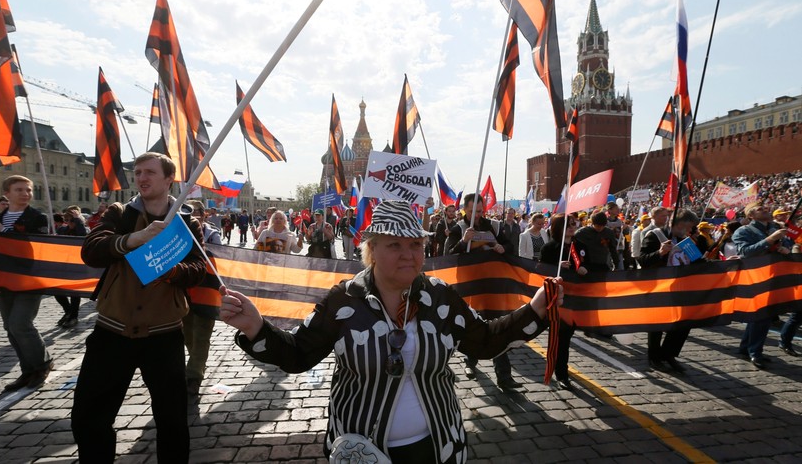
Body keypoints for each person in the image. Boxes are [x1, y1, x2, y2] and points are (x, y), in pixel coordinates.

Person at [220, 200, 561, 462]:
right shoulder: (344, 301)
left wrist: (536, 308)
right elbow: (297, 355)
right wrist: (255, 327)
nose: (408, 254)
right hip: (362, 449)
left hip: (438, 446)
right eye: (394, 245)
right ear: (372, 251)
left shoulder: (440, 296)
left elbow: (485, 341)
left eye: (415, 244)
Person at [71, 152, 206, 462]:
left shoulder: (186, 222)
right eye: (138, 172)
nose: (141, 178)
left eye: (149, 172)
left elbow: (199, 270)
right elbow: (91, 251)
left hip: (165, 335)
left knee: (172, 420)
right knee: (89, 417)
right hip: (112, 332)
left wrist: (169, 271)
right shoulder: (120, 213)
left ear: (169, 179)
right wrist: (135, 239)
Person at [444, 194, 521, 389]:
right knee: (473, 326)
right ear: (465, 210)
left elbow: (510, 246)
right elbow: (447, 256)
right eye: (472, 212)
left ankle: (504, 376)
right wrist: (463, 242)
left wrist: (503, 248)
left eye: (479, 211)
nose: (476, 215)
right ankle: (470, 361)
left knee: (499, 328)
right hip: (470, 288)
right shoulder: (458, 228)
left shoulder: (493, 226)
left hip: (493, 287)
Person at [0, 175, 53, 391]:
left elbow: (35, 248)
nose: (26, 194)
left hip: (29, 279)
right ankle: (28, 371)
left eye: (28, 190)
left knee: (20, 323)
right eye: (19, 190)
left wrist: (4, 232)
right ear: (7, 193)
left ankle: (42, 364)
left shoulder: (37, 217)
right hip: (4, 281)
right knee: (10, 327)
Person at [638, 209, 704, 373]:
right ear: (679, 223)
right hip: (659, 286)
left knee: (683, 322)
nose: (690, 231)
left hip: (680, 288)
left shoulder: (686, 241)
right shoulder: (655, 235)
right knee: (657, 323)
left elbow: (699, 262)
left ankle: (668, 354)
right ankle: (654, 356)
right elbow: (642, 260)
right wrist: (660, 252)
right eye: (689, 227)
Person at [732, 203, 793, 369]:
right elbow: (745, 251)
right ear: (750, 215)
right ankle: (755, 352)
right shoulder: (743, 231)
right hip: (755, 276)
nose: (765, 209)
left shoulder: (775, 228)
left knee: (761, 315)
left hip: (774, 275)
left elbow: (787, 244)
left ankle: (746, 348)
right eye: (759, 209)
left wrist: (783, 247)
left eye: (765, 207)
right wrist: (770, 240)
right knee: (762, 315)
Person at [539, 214, 587, 390]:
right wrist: (557, 266)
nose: (572, 227)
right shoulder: (550, 248)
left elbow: (591, 266)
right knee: (563, 338)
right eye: (568, 225)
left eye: (574, 224)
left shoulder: (580, 246)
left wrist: (584, 269)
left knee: (567, 336)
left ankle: (560, 369)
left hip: (575, 298)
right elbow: (542, 271)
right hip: (557, 299)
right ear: (559, 227)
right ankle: (562, 374)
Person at [183, 200, 221, 399]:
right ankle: (195, 364)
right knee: (187, 333)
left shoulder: (212, 234)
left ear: (204, 214)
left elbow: (221, 259)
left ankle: (194, 377)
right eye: (188, 211)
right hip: (185, 291)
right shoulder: (178, 231)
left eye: (196, 211)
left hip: (207, 293)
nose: (193, 215)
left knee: (202, 335)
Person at [54, 206, 89, 329]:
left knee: (74, 293)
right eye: (67, 220)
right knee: (56, 290)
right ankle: (68, 311)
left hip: (77, 265)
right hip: (62, 264)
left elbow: (82, 236)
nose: (69, 223)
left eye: (72, 220)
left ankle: (73, 316)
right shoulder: (63, 230)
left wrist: (78, 219)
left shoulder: (84, 229)